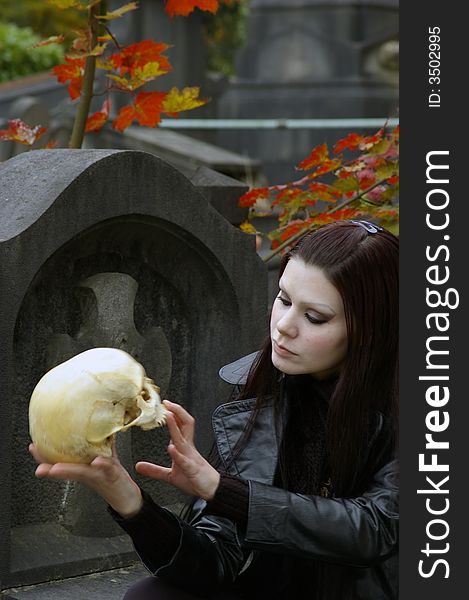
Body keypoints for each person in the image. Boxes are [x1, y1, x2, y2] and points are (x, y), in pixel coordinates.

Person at [29, 219, 399, 600]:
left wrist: (223, 489)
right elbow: (213, 564)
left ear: (370, 329)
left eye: (314, 317)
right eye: (284, 299)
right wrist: (129, 501)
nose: (284, 327)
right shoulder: (263, 396)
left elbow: (377, 529)